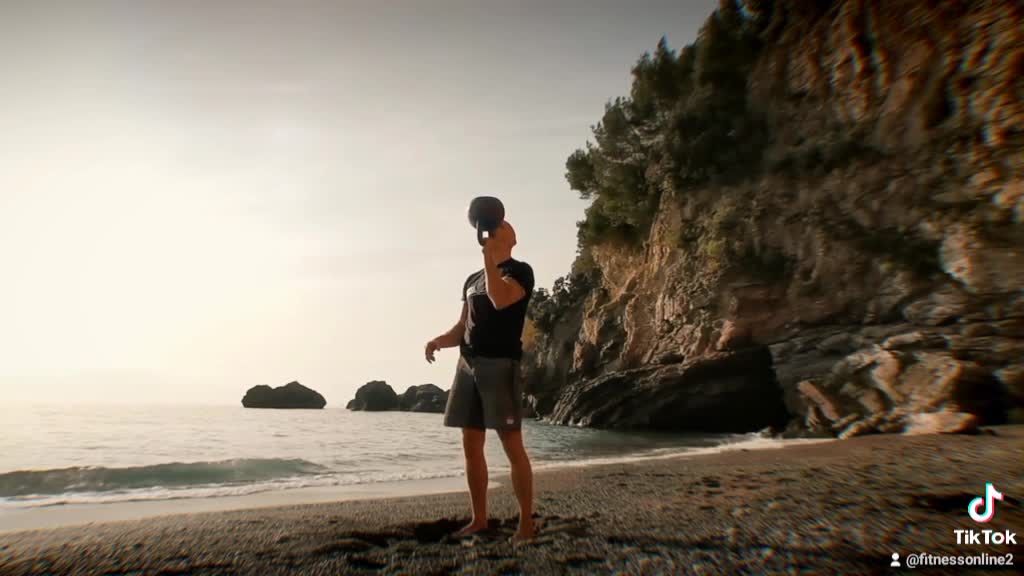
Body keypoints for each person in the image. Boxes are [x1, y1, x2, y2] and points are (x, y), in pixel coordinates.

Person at [424, 220, 536, 542]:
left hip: (500, 365)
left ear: (513, 238)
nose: (495, 227)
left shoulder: (520, 271)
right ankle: (480, 519)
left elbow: (501, 299)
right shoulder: (472, 280)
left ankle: (526, 523)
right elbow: (463, 325)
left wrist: (489, 257)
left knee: (512, 444)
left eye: (502, 224)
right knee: (471, 446)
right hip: (468, 365)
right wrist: (439, 341)